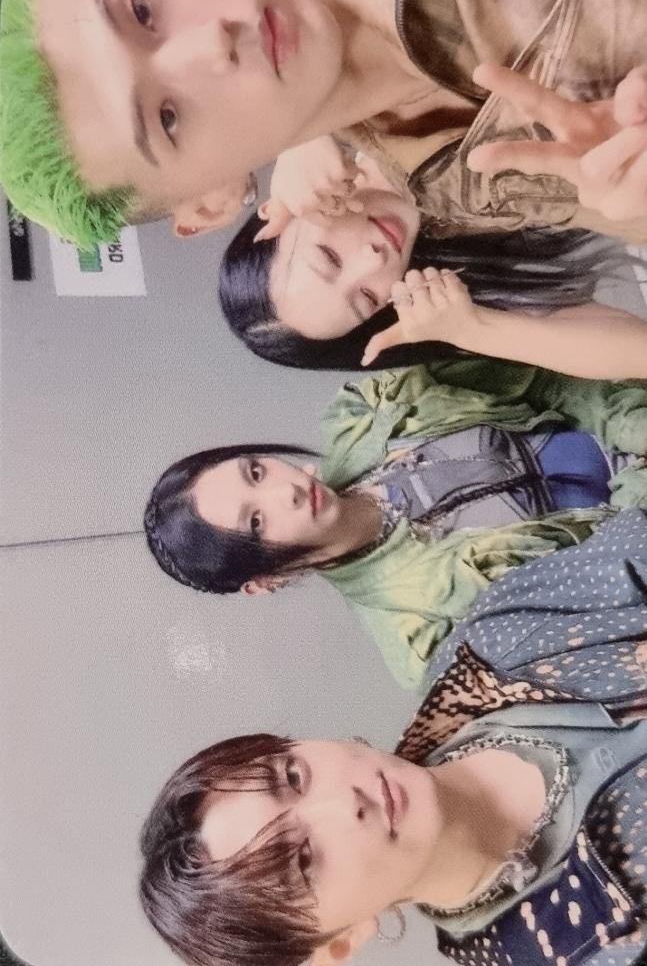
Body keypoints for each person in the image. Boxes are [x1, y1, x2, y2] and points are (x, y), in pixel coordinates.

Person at [138, 510, 647, 966]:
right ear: (333, 945)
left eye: (293, 776)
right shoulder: (593, 944)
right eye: (303, 861)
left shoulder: (486, 652)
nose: (345, 803)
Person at [3, 0, 647, 248]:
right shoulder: (444, 187)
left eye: (142, 11)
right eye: (167, 118)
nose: (212, 42)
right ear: (210, 203)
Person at [144, 358, 647, 688]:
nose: (285, 491)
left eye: (255, 471)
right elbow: (615, 606)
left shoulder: (366, 413)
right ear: (265, 580)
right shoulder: (420, 636)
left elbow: (543, 373)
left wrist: (630, 426)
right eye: (256, 522)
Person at [219, 146, 647, 378]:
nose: (373, 261)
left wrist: (306, 128)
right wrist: (474, 329)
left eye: (329, 256)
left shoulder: (367, 114)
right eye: (367, 298)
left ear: (285, 208)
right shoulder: (453, 264)